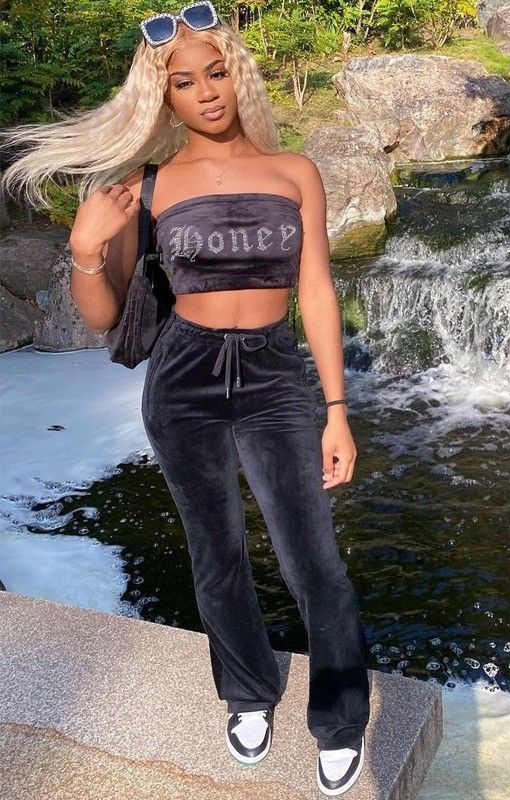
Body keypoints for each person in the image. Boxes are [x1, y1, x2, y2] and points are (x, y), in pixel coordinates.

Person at [0, 2, 370, 794]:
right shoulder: (148, 185)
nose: (206, 91)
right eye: (184, 82)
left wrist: (337, 411)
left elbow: (315, 291)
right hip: (184, 378)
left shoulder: (296, 172)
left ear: (238, 75)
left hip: (275, 376)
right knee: (216, 552)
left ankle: (341, 717)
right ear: (162, 97)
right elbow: (105, 318)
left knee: (314, 559)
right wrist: (84, 247)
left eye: (217, 72)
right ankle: (248, 691)